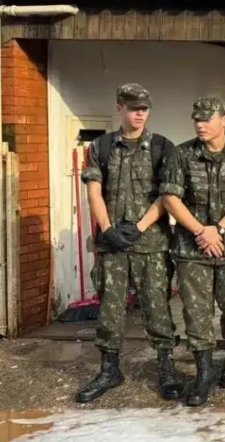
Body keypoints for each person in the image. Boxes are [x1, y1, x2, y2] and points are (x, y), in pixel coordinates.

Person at [75, 84, 179, 403]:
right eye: (133, 107)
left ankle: (166, 368)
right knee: (110, 306)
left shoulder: (163, 147)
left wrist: (138, 227)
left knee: (157, 307)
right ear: (118, 107)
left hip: (151, 244)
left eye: (144, 108)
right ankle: (109, 369)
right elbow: (94, 189)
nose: (139, 113)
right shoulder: (101, 146)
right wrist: (107, 230)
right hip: (112, 245)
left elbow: (167, 194)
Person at [160, 97, 225, 407]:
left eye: (206, 119)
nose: (200, 124)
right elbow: (171, 198)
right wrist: (201, 230)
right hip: (192, 247)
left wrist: (220, 229)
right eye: (196, 119)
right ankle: (203, 371)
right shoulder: (181, 154)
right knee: (196, 312)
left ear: (224, 120)